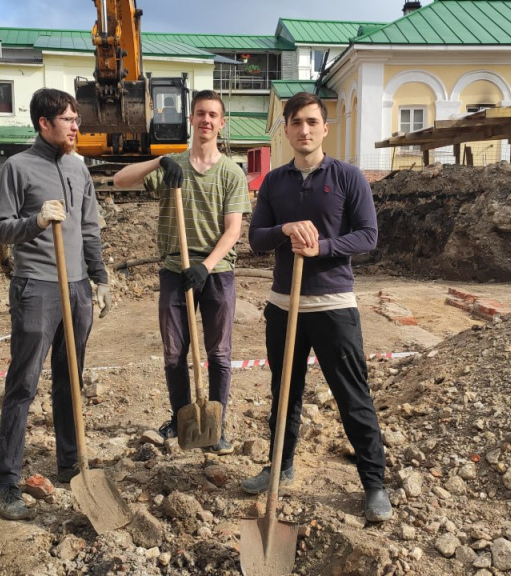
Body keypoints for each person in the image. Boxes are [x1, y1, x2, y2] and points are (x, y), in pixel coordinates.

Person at [242, 91, 392, 522]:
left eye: (312, 122)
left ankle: (374, 483)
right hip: (282, 306)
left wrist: (320, 246)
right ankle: (280, 466)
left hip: (332, 305)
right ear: (286, 130)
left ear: (325, 128)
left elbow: (367, 236)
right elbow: (255, 239)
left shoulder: (348, 177)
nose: (304, 130)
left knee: (352, 395)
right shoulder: (273, 182)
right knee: (284, 393)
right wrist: (285, 228)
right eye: (296, 123)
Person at [0, 88, 112, 521]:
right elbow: (0, 229)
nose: (76, 126)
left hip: (76, 288)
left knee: (70, 379)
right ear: (44, 123)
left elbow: (90, 227)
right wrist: (36, 221)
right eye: (67, 119)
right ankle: (7, 481)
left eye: (77, 119)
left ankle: (69, 463)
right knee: (23, 384)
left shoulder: (79, 169)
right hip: (37, 287)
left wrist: (99, 277)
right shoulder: (17, 168)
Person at [114, 90, 251, 455]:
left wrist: (204, 268)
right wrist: (158, 162)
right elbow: (119, 180)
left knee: (219, 353)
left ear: (222, 123)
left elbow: (234, 230)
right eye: (200, 114)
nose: (206, 120)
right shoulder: (172, 166)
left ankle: (216, 425)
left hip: (216, 270)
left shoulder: (231, 173)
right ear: (191, 120)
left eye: (213, 115)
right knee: (174, 352)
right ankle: (180, 417)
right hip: (175, 268)